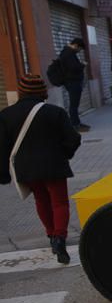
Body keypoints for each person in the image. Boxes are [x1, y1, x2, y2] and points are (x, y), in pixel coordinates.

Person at [0, 74, 82, 264]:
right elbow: (73, 139)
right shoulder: (55, 112)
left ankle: (52, 235)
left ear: (21, 91)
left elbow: (2, 146)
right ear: (42, 91)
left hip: (27, 167)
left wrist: (3, 172)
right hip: (54, 165)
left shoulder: (6, 115)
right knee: (59, 203)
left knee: (41, 201)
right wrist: (64, 154)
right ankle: (60, 239)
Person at [59, 37, 89, 132]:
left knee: (74, 104)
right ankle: (75, 125)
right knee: (74, 105)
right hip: (72, 82)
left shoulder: (68, 53)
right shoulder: (68, 54)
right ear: (76, 45)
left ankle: (77, 123)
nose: (79, 51)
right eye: (79, 49)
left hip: (72, 82)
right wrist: (82, 64)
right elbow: (73, 68)